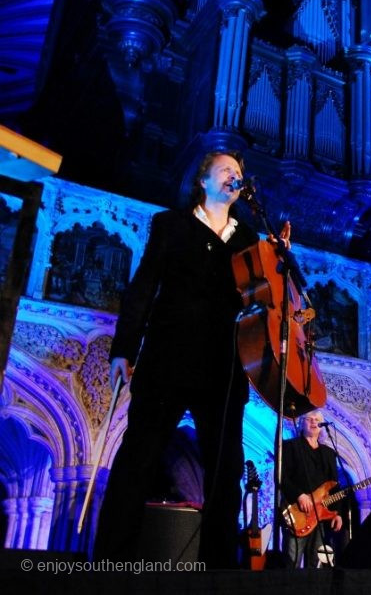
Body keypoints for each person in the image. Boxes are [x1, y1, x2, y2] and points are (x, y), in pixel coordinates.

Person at [93, 150, 289, 568]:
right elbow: (143, 289)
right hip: (168, 359)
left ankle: (217, 567)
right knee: (138, 459)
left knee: (225, 470)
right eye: (225, 171)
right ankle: (111, 561)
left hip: (223, 367)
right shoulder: (171, 226)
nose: (234, 178)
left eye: (238, 174)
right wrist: (124, 348)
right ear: (203, 181)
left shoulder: (250, 241)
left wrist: (277, 260)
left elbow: (264, 303)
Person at [280, 409, 346, 568]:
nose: (313, 422)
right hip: (297, 513)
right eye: (309, 419)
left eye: (317, 419)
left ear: (322, 425)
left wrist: (337, 513)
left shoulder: (329, 453)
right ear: (302, 423)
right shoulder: (290, 447)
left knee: (317, 564)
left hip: (321, 517)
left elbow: (335, 486)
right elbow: (281, 477)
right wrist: (300, 495)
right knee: (292, 561)